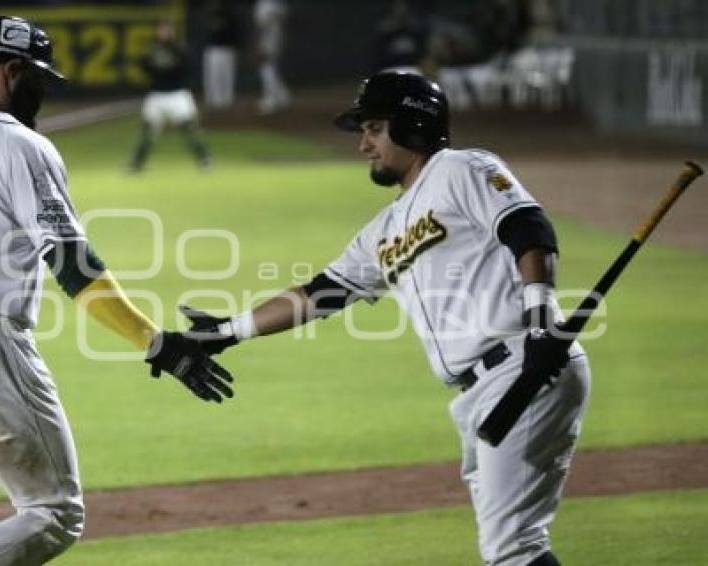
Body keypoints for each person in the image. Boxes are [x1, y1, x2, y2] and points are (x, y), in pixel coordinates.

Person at [0, 16, 233, 565]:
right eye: (39, 78)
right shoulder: (20, 146)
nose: (43, 92)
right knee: (54, 512)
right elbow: (74, 267)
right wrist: (156, 343)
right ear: (11, 71)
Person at [181, 72, 589, 566]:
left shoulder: (462, 168)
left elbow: (529, 229)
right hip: (484, 387)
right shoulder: (386, 228)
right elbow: (320, 294)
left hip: (526, 364)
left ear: (413, 125)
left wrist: (542, 319)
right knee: (511, 548)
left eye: (374, 128)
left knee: (514, 548)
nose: (364, 145)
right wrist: (227, 331)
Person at [128, 20, 212, 173]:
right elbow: (145, 67)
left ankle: (205, 159)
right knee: (148, 131)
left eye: (167, 30)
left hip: (177, 94)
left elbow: (186, 69)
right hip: (157, 95)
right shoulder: (152, 49)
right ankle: (137, 163)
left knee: (189, 128)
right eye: (161, 30)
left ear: (172, 32)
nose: (164, 33)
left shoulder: (179, 49)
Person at [202, 0, 241, 110]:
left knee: (227, 76)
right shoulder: (210, 12)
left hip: (227, 48)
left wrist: (237, 47)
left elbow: (237, 33)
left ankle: (226, 104)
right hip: (213, 48)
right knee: (213, 76)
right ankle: (214, 104)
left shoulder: (231, 12)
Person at [253, 0, 290, 115]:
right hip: (277, 38)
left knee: (265, 68)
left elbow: (262, 25)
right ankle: (283, 96)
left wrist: (259, 43)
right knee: (271, 68)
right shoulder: (276, 4)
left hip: (267, 39)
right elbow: (285, 12)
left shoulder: (263, 4)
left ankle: (271, 100)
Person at [373, 0, 429, 74]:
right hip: (390, 68)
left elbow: (421, 52)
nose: (401, 11)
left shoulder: (415, 32)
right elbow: (379, 55)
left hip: (412, 68)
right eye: (398, 8)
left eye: (403, 8)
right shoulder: (386, 33)